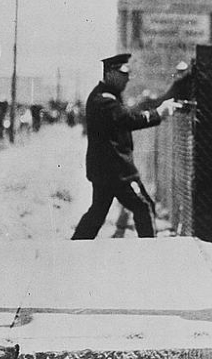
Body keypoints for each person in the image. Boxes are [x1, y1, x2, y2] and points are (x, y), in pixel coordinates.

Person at [71, 54, 180, 239]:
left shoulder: (105, 96)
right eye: (124, 73)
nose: (128, 78)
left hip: (106, 169)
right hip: (117, 171)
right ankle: (151, 253)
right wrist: (159, 114)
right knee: (144, 207)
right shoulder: (104, 100)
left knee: (97, 214)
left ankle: (73, 248)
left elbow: (126, 114)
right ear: (111, 73)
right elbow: (127, 119)